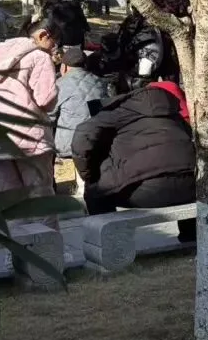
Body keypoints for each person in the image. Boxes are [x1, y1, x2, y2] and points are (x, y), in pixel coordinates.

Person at [0, 10, 69, 225]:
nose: (55, 48)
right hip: (27, 135)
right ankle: (46, 243)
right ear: (43, 35)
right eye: (55, 42)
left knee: (8, 198)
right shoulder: (39, 57)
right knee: (40, 195)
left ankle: (16, 245)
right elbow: (45, 99)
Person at [71, 82, 198, 241]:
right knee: (183, 177)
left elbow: (83, 135)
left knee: (95, 191)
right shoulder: (173, 113)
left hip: (143, 193)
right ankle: (191, 237)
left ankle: (114, 243)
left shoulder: (117, 111)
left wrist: (87, 173)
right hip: (189, 188)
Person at [51, 48, 110, 160]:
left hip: (69, 149)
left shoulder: (60, 84)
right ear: (85, 66)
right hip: (94, 146)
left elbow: (49, 116)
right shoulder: (100, 83)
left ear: (64, 67)